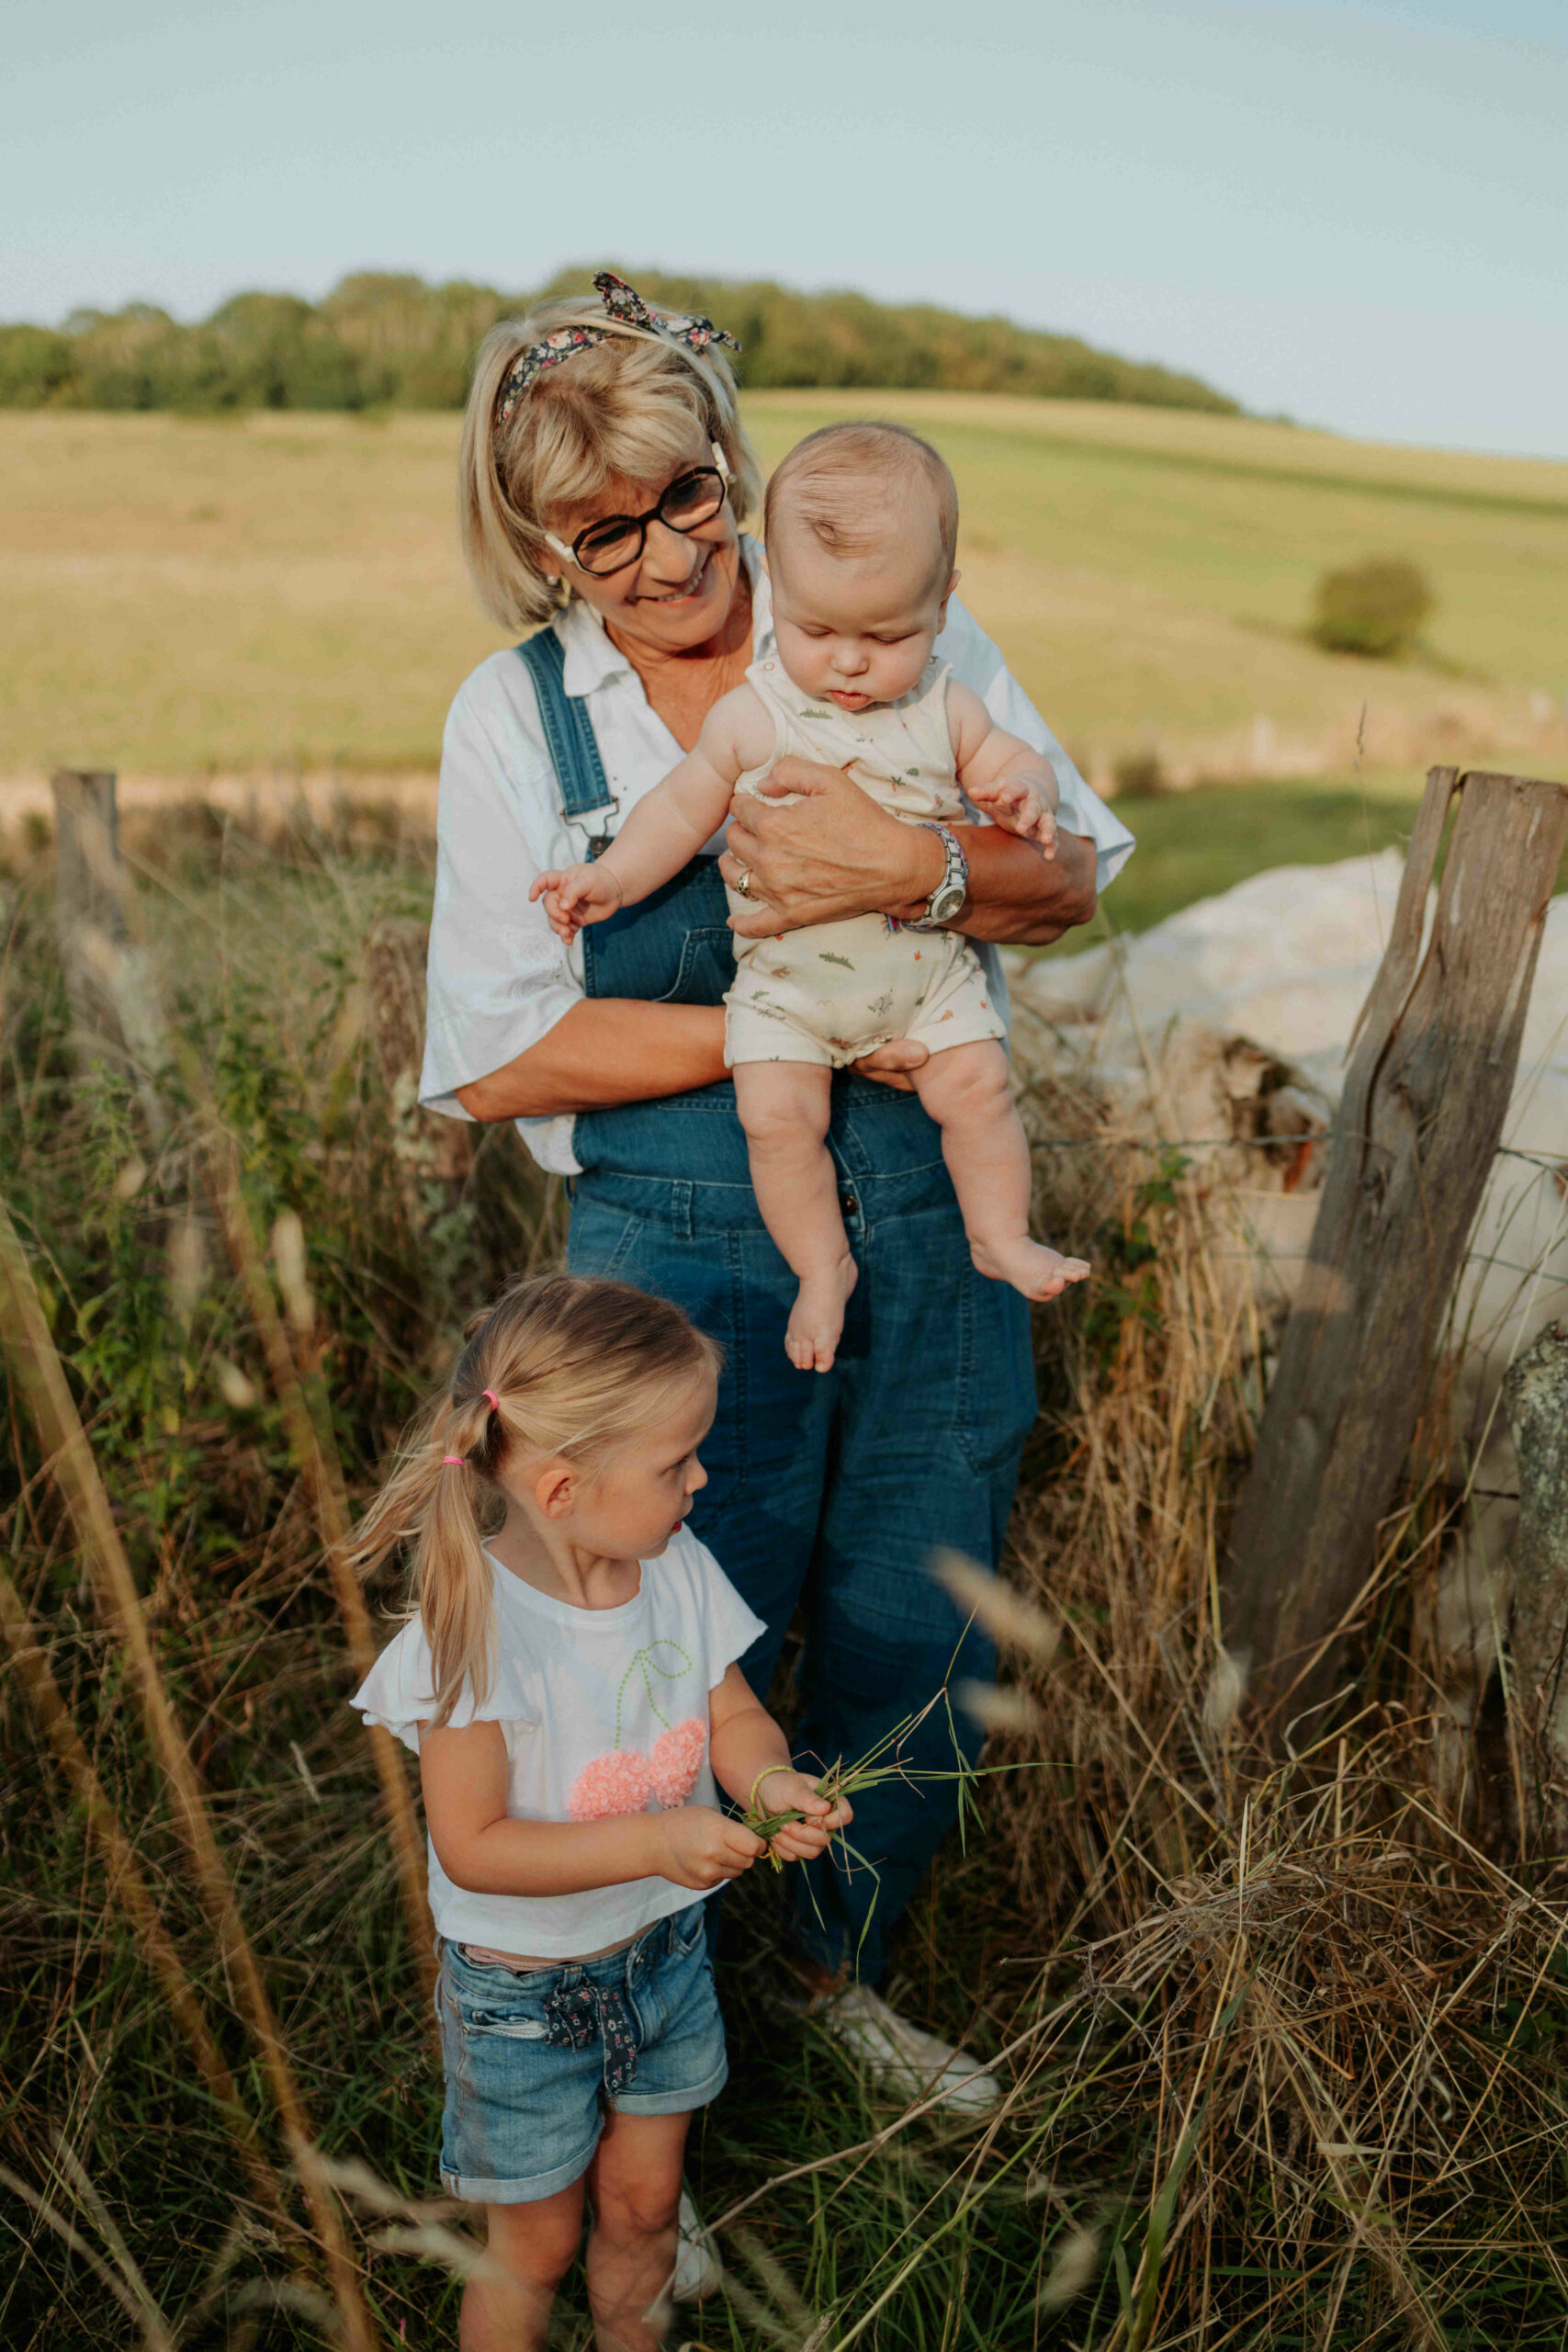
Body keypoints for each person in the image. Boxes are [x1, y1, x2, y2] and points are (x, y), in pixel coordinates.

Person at [422, 270, 1133, 2115]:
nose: (664, 559)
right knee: (655, 1620)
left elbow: (1068, 873)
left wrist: (910, 863)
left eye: (683, 498)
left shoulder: (884, 611)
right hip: (668, 1256)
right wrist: (794, 1023)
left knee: (918, 1594)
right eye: (604, 531)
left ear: (728, 461)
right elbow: (499, 1053)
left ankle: (842, 1966)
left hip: (926, 1215)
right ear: (537, 539)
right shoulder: (517, 721)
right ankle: (646, 2005)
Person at [348, 1274, 852, 2351]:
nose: (703, 1477)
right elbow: (473, 1847)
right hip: (522, 2005)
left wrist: (769, 1784)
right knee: (532, 2243)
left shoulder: (675, 1569)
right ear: (565, 1488)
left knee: (642, 2209)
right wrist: (657, 1839)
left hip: (664, 1960)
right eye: (676, 1464)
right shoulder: (473, 1632)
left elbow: (735, 1716)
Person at [531, 422, 1091, 1374]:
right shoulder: (755, 713)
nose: (849, 663)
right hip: (787, 996)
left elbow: (1011, 767)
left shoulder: (946, 702)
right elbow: (676, 810)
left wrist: (1020, 789)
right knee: (777, 1121)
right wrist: (611, 877)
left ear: (942, 607)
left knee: (981, 1088)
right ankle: (821, 1266)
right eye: (818, 631)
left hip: (923, 987)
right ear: (777, 600)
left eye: (888, 635)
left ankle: (999, 1233)